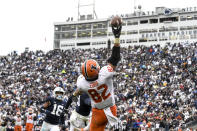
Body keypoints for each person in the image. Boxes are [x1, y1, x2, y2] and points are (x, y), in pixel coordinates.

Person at [71, 16, 122, 131]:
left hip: (97, 112)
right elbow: (115, 58)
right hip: (111, 109)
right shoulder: (104, 74)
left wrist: (73, 96)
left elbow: (78, 91)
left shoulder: (82, 83)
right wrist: (117, 38)